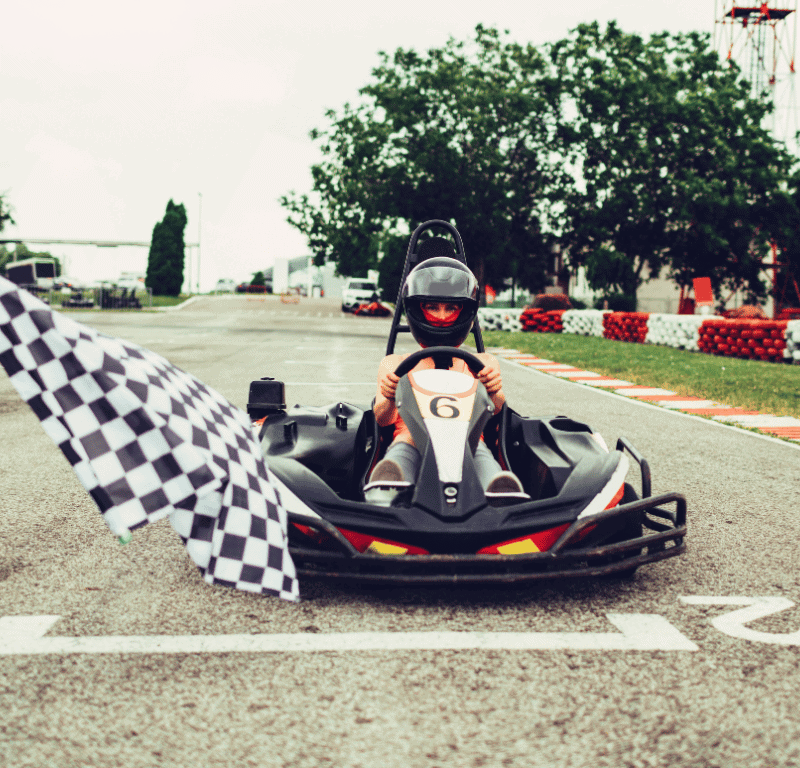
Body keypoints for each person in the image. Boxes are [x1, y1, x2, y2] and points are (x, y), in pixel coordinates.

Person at [367, 248, 525, 501]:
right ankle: (389, 482)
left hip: (470, 441)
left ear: (464, 312)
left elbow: (498, 413)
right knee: (402, 449)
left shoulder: (482, 362)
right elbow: (383, 421)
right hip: (410, 440)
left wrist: (494, 390)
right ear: (417, 310)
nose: (441, 317)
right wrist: (387, 396)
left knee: (479, 450)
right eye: (432, 307)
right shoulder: (395, 363)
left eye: (450, 308)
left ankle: (497, 488)